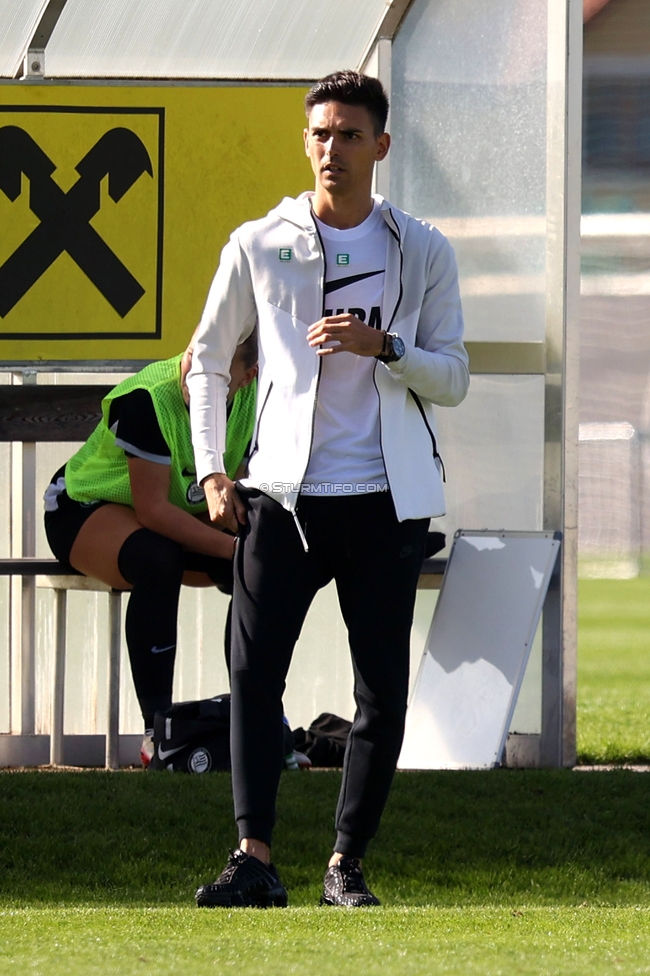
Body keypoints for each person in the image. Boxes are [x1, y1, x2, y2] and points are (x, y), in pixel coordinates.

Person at [188, 70, 469, 908]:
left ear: (381, 146)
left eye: (349, 135)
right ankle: (253, 858)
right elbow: (204, 361)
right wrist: (211, 469)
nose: (331, 150)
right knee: (254, 677)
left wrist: (383, 348)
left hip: (385, 501)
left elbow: (452, 378)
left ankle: (345, 866)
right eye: (320, 134)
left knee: (381, 688)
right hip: (282, 499)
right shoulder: (259, 241)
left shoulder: (422, 248)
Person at [43, 333, 257, 763]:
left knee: (258, 563)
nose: (199, 373)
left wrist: (249, 547)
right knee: (160, 559)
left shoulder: (257, 398)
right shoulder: (148, 398)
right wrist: (234, 549)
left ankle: (257, 719)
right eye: (198, 354)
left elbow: (238, 492)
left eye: (217, 368)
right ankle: (156, 734)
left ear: (248, 376)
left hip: (161, 516)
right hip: (81, 507)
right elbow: (154, 512)